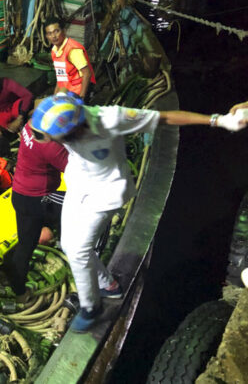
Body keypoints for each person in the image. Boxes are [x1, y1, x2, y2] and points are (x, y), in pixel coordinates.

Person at [30, 94, 247, 332]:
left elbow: (166, 117)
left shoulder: (111, 118)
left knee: (80, 250)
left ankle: (92, 307)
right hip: (79, 182)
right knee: (69, 246)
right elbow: (45, 110)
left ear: (72, 132)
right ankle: (108, 285)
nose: (45, 140)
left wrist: (218, 120)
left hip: (105, 191)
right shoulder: (62, 109)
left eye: (51, 137)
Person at [3, 117, 69, 301]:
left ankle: (18, 290)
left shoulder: (31, 124)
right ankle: (67, 246)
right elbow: (76, 169)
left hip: (20, 194)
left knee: (26, 244)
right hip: (39, 198)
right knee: (72, 205)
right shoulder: (49, 146)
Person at [44, 17, 96, 99]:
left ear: (64, 31)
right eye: (49, 33)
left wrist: (81, 98)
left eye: (56, 31)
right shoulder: (54, 51)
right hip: (68, 90)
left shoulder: (72, 50)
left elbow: (87, 73)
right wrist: (55, 96)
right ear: (47, 36)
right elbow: (61, 78)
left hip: (79, 91)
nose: (53, 36)